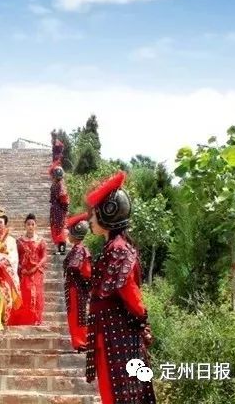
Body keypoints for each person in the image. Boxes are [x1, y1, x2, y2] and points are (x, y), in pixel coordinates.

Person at [85, 171, 156, 404]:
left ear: (108, 213)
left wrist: (141, 318)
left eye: (93, 214)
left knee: (120, 392)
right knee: (118, 391)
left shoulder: (117, 249)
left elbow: (129, 290)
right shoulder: (113, 247)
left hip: (116, 331)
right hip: (110, 329)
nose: (90, 219)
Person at [8, 213, 47, 325]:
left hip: (36, 272)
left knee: (36, 294)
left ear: (36, 226)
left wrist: (37, 267)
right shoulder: (19, 241)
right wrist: (20, 268)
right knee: (24, 294)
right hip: (23, 272)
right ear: (24, 225)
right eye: (28, 224)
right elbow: (15, 256)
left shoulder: (41, 241)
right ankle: (23, 318)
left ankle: (35, 318)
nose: (30, 226)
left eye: (32, 224)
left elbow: (44, 257)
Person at [63, 212, 91, 352]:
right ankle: (79, 342)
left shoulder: (79, 250)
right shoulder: (78, 249)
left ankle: (81, 342)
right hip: (75, 288)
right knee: (76, 316)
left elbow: (77, 268)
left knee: (78, 316)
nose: (68, 234)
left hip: (77, 288)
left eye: (70, 232)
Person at [49, 163, 69, 255]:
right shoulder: (56, 184)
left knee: (59, 230)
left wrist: (64, 210)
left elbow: (64, 199)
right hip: (56, 211)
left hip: (59, 211)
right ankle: (59, 249)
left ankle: (61, 250)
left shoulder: (60, 185)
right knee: (56, 229)